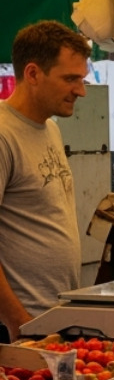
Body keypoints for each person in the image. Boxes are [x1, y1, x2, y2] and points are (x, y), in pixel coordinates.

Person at [0, 22, 89, 341]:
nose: (81, 90)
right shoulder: (3, 134)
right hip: (21, 328)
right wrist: (19, 321)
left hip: (53, 317)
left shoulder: (50, 128)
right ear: (33, 73)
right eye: (70, 79)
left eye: (82, 79)